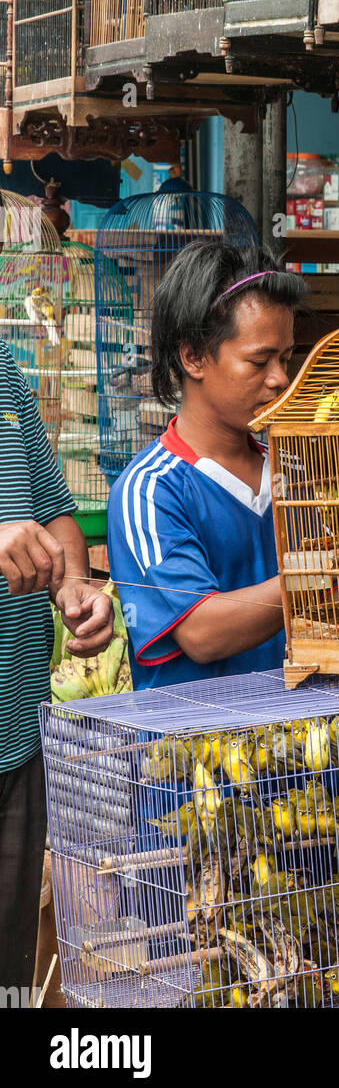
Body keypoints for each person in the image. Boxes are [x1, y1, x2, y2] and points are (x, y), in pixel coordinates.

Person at [107, 244, 305, 689]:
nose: (279, 379)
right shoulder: (151, 489)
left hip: (301, 738)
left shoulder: (294, 470)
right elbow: (201, 632)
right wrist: (325, 576)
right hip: (194, 749)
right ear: (194, 356)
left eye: (286, 358)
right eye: (259, 360)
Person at [0, 339, 115, 993]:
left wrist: (74, 584)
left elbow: (54, 512)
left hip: (17, 742)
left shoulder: (5, 371)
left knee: (10, 964)